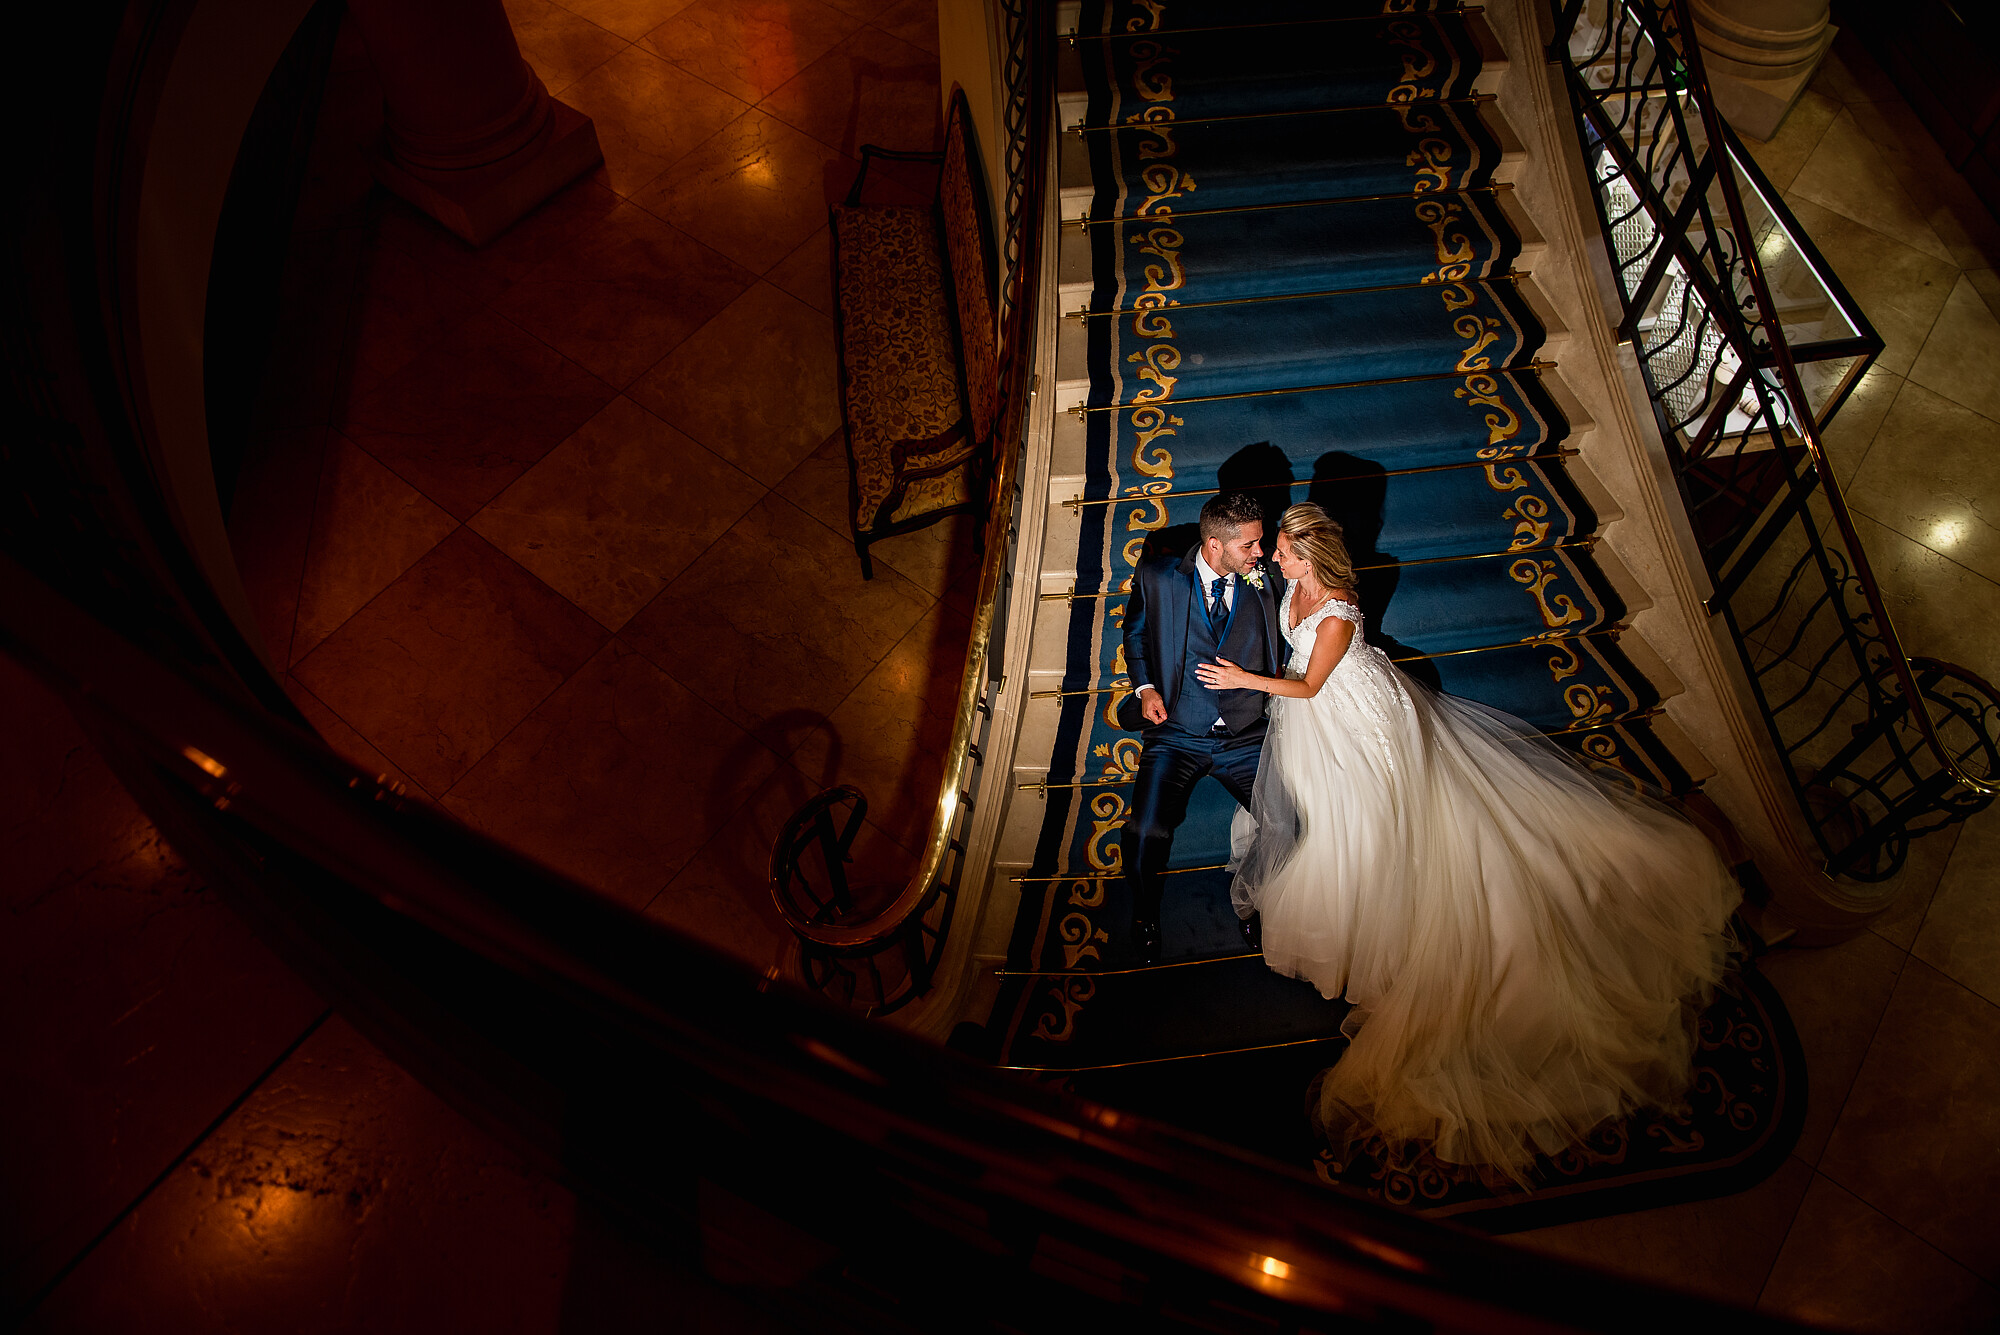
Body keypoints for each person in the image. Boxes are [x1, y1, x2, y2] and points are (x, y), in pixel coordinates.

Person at [1195, 502, 1739, 1183]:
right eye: (1273, 551)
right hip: (1324, 718)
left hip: (1354, 718)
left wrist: (1244, 679)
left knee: (1370, 823)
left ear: (1313, 560)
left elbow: (1307, 685)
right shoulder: (1293, 581)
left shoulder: (1335, 610)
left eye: (1284, 554)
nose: (1275, 561)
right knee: (1319, 809)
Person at [1120, 492, 1288, 965]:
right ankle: (1144, 912)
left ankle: (1256, 899)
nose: (1263, 552)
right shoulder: (1158, 578)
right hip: (1177, 731)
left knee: (1286, 822)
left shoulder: (1270, 576)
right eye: (1251, 546)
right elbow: (1135, 634)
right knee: (1146, 830)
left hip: (1245, 732)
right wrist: (1147, 688)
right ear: (1214, 545)